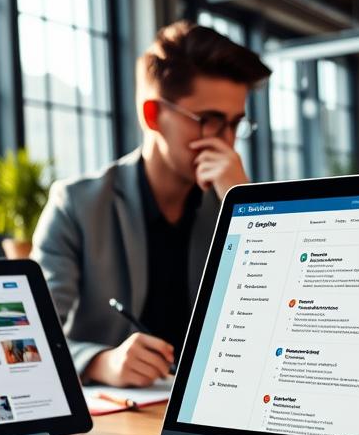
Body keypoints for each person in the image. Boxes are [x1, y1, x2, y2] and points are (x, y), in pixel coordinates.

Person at [32, 21, 271, 387]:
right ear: (153, 116)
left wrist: (247, 209)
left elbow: (279, 319)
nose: (226, 142)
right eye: (209, 121)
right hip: (123, 408)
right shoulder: (77, 205)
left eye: (234, 124)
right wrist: (99, 362)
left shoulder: (230, 200)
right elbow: (32, 334)